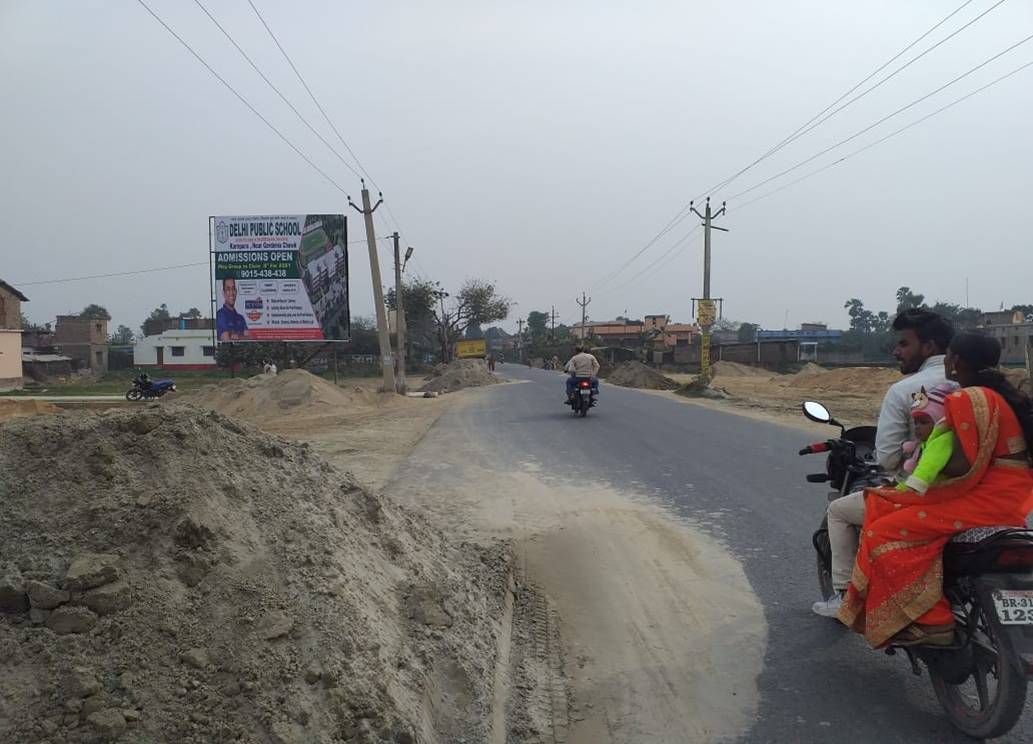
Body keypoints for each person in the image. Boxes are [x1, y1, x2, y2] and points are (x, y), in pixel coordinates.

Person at [838, 333, 1033, 647]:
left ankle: (933, 622)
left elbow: (961, 466)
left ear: (956, 362)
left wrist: (930, 442)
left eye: (949, 355)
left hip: (988, 497)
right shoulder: (998, 394)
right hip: (1011, 495)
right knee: (894, 506)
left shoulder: (964, 398)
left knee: (884, 529)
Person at [813, 309, 955, 617]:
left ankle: (844, 597)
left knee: (837, 511)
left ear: (928, 347)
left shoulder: (906, 390)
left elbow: (888, 457)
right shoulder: (980, 387)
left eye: (904, 344)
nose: (896, 351)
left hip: (925, 497)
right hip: (980, 495)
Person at [897, 384, 955, 494]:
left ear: (939, 422)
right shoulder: (927, 442)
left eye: (923, 422)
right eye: (915, 423)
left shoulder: (942, 440)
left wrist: (914, 485)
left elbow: (929, 465)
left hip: (936, 490)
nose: (917, 427)